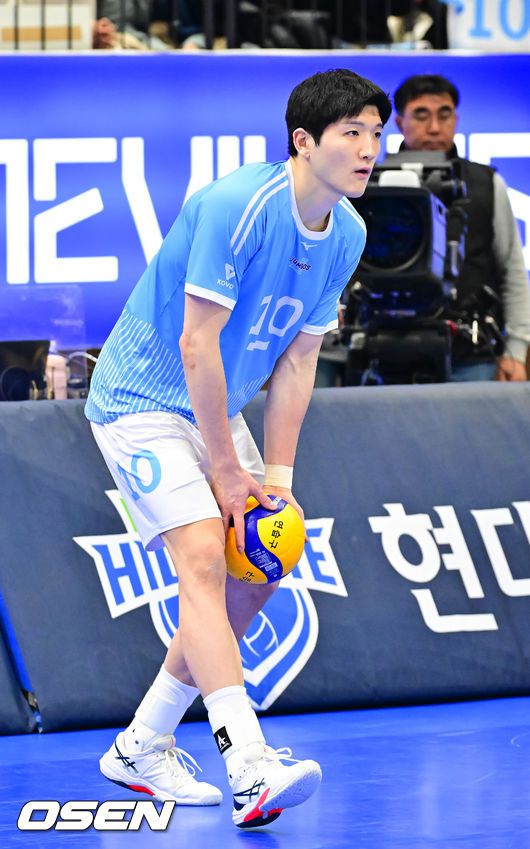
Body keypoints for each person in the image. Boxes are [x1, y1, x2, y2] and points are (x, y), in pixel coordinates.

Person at [85, 68, 390, 828]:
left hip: (213, 409)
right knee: (200, 557)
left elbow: (298, 360)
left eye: (375, 134)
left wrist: (276, 478)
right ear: (304, 141)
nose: (368, 149)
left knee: (262, 563)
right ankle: (248, 763)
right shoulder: (240, 204)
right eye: (351, 132)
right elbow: (197, 343)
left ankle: (143, 742)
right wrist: (225, 469)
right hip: (141, 400)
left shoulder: (348, 234)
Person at [394, 74, 530, 382]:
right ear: (400, 122)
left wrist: (516, 349)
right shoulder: (367, 184)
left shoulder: (486, 183)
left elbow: (511, 269)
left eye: (444, 115)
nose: (434, 127)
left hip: (471, 352)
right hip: (386, 349)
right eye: (421, 115)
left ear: (455, 120)